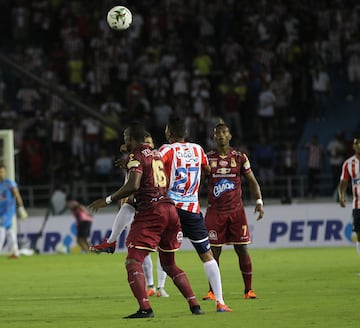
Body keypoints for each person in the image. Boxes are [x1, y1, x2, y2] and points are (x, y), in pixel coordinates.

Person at [88, 122, 204, 318]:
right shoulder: (157, 154)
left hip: (151, 212)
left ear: (131, 139)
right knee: (169, 264)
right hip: (170, 210)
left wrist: (107, 199)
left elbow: (133, 184)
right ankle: (194, 305)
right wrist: (127, 161)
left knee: (133, 261)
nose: (124, 142)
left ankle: (145, 308)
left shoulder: (136, 156)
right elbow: (147, 167)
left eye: (126, 138)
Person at [159, 115, 232, 312]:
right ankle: (220, 302)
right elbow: (207, 169)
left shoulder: (165, 150)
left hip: (171, 209)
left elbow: (155, 170)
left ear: (168, 133)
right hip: (192, 209)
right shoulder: (198, 149)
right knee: (206, 255)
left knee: (166, 255)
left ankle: (158, 287)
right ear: (186, 133)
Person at [89, 133, 169, 297]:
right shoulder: (138, 159)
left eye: (148, 142)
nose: (145, 145)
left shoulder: (149, 157)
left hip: (158, 204)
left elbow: (134, 183)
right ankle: (152, 285)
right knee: (139, 246)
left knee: (162, 250)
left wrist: (109, 199)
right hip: (149, 203)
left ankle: (161, 287)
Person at [203, 123, 264, 300]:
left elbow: (252, 181)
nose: (221, 136)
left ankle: (248, 290)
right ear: (214, 137)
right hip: (215, 212)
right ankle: (212, 292)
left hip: (236, 212)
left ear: (230, 136)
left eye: (224, 132)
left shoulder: (239, 157)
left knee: (242, 249)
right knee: (213, 252)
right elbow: (198, 182)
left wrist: (259, 201)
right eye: (217, 133)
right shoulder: (208, 159)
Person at [338, 132, 360, 256]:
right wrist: (341, 196)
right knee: (359, 235)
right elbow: (343, 182)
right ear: (353, 146)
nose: (358, 145)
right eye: (356, 143)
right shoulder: (348, 164)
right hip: (358, 205)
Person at [0, 163, 28, 259]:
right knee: (9, 231)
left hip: (8, 211)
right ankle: (15, 252)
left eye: (2, 172)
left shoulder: (9, 183)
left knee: (1, 228)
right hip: (0, 211)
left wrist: (21, 207)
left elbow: (16, 194)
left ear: (5, 172)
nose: (1, 174)